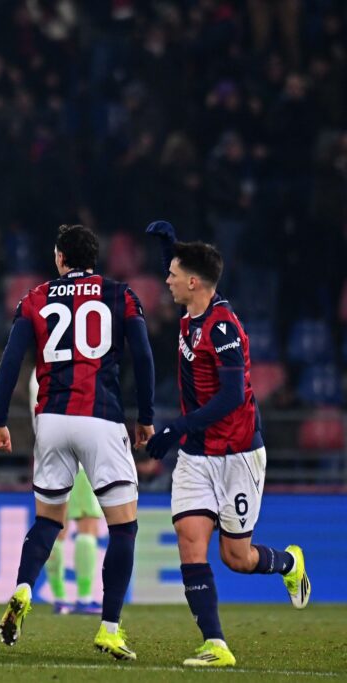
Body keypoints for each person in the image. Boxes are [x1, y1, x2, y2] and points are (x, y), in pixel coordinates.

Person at [144, 220, 309, 668]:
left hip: (238, 454)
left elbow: (233, 396)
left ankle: (289, 564)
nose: (166, 279)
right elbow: (188, 270)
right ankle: (216, 644)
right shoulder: (193, 310)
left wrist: (176, 428)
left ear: (193, 283)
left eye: (173, 273)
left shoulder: (221, 328)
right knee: (189, 539)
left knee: (236, 557)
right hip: (198, 456)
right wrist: (170, 246)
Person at [0, 224, 155, 660]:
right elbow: (143, 356)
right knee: (123, 527)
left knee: (48, 521)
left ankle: (23, 588)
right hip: (101, 417)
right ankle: (109, 628)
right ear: (94, 258)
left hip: (52, 420)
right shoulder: (120, 295)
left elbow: (10, 362)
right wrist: (146, 417)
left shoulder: (35, 298)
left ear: (60, 257)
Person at [28, 371, 105, 616]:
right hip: (80, 455)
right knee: (87, 524)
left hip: (47, 453)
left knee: (54, 526)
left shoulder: (38, 372)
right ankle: (83, 597)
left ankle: (60, 598)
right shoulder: (79, 365)